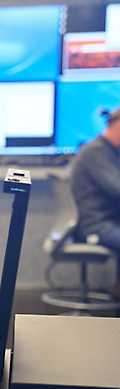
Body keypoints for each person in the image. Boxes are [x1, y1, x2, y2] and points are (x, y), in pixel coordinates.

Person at [71, 107, 120, 297]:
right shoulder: (96, 152)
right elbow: (117, 187)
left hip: (107, 223)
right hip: (95, 227)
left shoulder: (109, 152)